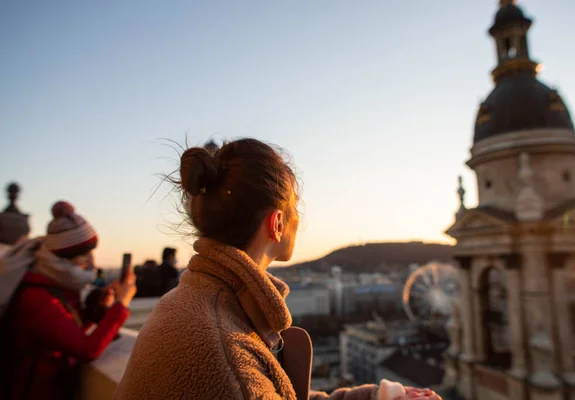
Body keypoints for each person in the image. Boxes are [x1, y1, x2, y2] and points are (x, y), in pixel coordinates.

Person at [115, 138, 440, 400]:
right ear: (278, 222)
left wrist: (378, 397)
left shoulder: (196, 298)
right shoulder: (226, 349)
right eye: (294, 207)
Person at [3, 201, 137, 400]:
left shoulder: (52, 283)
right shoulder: (37, 297)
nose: (91, 261)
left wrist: (95, 309)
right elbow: (86, 350)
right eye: (84, 254)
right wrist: (121, 303)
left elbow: (65, 333)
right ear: (63, 257)